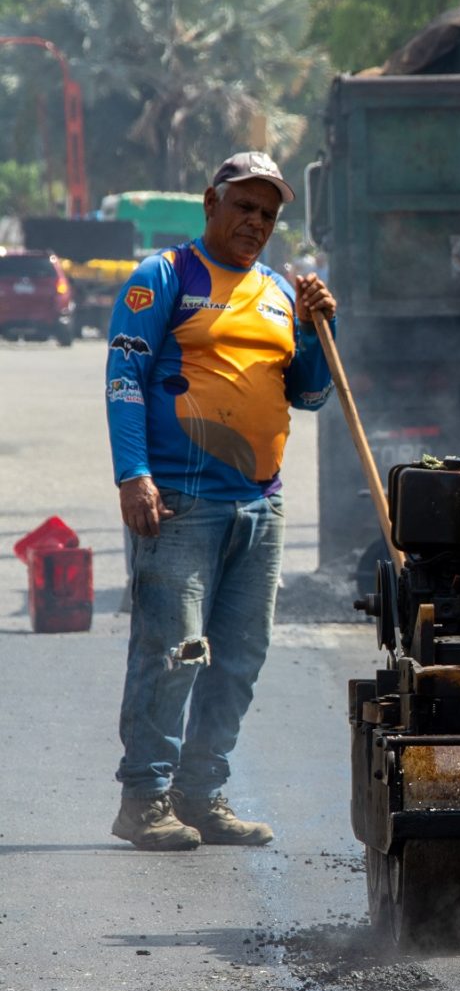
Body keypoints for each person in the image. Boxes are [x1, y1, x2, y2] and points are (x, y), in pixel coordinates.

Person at [106, 151, 338, 850]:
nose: (256, 222)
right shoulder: (164, 277)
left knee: (239, 657)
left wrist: (316, 331)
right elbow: (124, 378)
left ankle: (201, 794)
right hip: (179, 501)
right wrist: (133, 475)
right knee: (173, 650)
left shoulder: (278, 293)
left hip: (260, 506)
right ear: (211, 203)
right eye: (244, 206)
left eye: (268, 213)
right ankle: (144, 797)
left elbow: (311, 395)